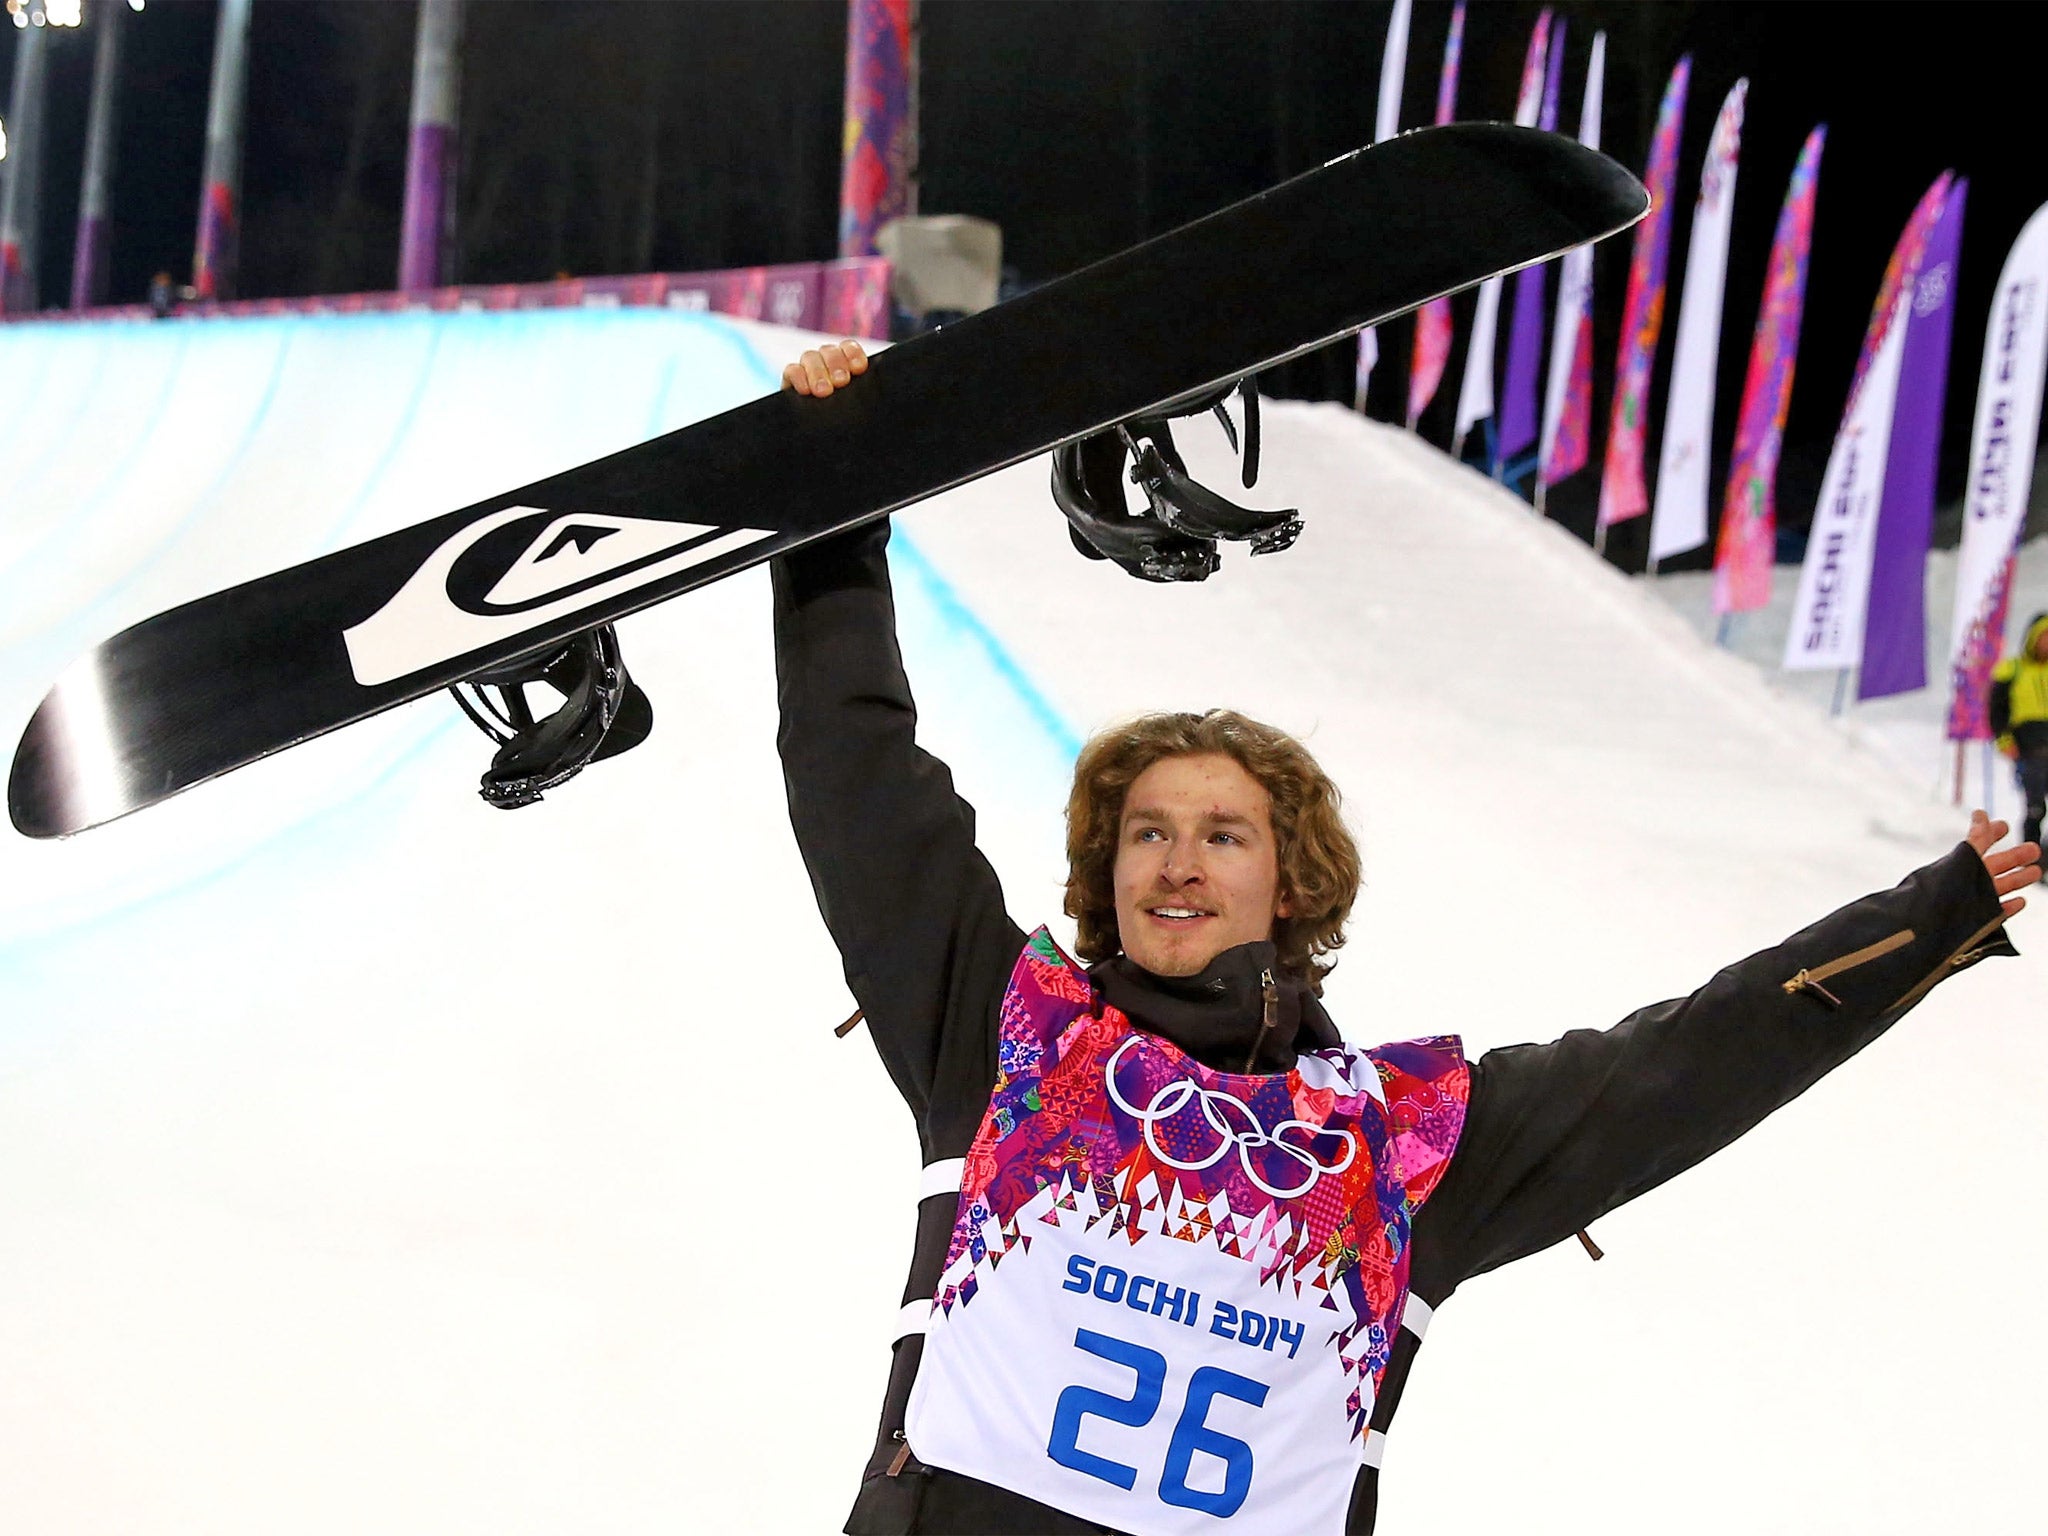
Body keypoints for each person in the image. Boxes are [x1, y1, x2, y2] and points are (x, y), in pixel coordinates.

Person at [773, 341, 2038, 1536]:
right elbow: (858, 779)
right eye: (1146, 832)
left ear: (1292, 884)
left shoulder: (1404, 1143)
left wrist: (1930, 920)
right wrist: (831, 502)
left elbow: (1690, 1060)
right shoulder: (1009, 1037)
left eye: (1223, 835)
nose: (1173, 860)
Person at [1991, 611, 2048, 850]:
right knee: (2036, 807)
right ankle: (2030, 856)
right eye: (2043, 637)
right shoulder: (2012, 670)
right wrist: (2004, 741)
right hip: (2030, 749)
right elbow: (1997, 710)